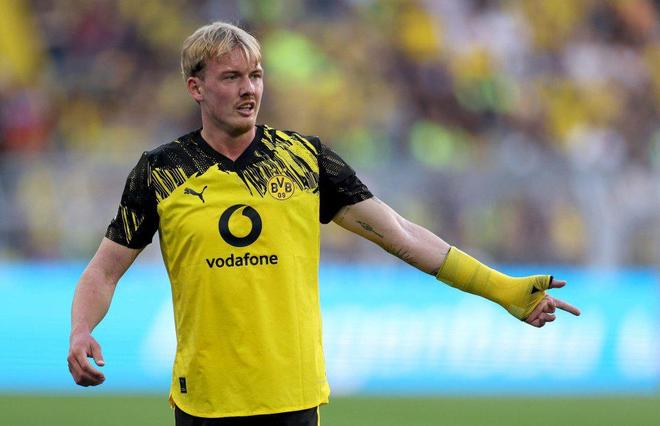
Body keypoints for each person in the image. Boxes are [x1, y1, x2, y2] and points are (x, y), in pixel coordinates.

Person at [67, 21, 580, 426]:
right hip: (204, 400)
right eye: (231, 78)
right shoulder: (161, 171)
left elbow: (402, 235)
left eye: (256, 76)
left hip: (293, 397)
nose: (249, 90)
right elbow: (104, 271)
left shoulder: (305, 160)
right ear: (195, 87)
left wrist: (503, 289)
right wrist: (81, 329)